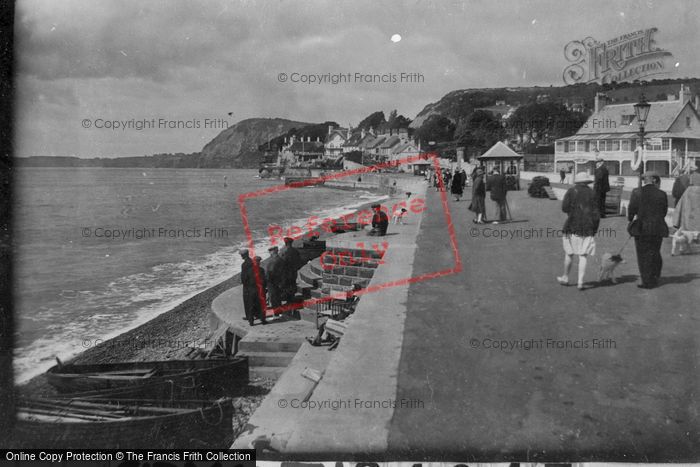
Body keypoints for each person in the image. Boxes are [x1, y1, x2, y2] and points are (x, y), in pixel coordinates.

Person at [557, 173, 600, 290]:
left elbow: (564, 208)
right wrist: (594, 229)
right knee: (583, 255)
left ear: (577, 181)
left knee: (569, 253)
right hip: (588, 227)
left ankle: (565, 277)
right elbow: (597, 214)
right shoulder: (593, 193)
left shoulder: (572, 191)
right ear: (587, 182)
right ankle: (580, 282)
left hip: (572, 225)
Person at [628, 172, 669, 289]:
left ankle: (647, 281)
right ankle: (655, 277)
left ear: (645, 180)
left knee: (642, 255)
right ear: (655, 181)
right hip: (657, 227)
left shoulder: (636, 192)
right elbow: (664, 212)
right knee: (654, 252)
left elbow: (631, 210)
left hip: (641, 228)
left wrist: (631, 219)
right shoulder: (662, 194)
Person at [280, 237, 302, 302]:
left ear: (285, 243)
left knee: (286, 284)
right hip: (293, 271)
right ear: (291, 243)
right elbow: (299, 261)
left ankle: (287, 298)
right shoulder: (295, 251)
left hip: (286, 272)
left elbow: (281, 262)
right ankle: (292, 297)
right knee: (292, 283)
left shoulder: (283, 251)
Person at [239, 249, 257, 326]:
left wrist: (243, 282)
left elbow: (244, 277)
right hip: (254, 284)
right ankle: (256, 314)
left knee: (247, 301)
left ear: (243, 255)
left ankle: (249, 317)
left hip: (247, 286)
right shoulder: (253, 261)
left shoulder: (244, 264)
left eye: (241, 255)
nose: (241, 256)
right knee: (254, 300)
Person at [251, 256, 268, 324]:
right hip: (260, 290)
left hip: (253, 290)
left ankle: (253, 318)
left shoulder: (250, 270)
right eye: (259, 261)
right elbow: (264, 280)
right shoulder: (261, 270)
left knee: (253, 304)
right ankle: (263, 319)